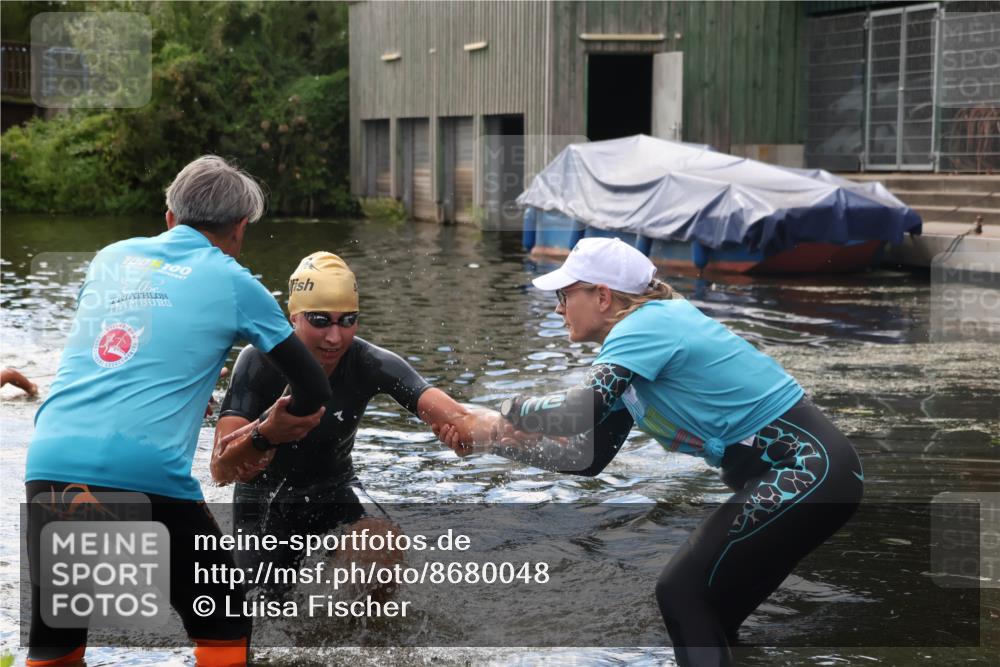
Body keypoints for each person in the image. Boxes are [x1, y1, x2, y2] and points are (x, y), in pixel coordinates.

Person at [436, 237, 865, 667]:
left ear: (602, 296)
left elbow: (577, 412)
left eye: (564, 295)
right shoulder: (635, 351)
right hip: (815, 476)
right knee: (710, 615)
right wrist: (497, 444)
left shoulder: (645, 325)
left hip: (807, 471)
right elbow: (587, 460)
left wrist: (501, 414)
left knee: (681, 592)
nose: (557, 308)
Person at [24, 156, 331, 667]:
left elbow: (120, 346)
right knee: (224, 622)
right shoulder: (235, 281)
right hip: (144, 473)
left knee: (57, 642)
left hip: (51, 462)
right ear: (239, 230)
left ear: (169, 216)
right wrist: (270, 431)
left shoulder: (110, 258)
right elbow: (313, 386)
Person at [212, 251, 479, 593]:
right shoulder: (259, 362)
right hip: (264, 502)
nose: (335, 337)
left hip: (334, 491)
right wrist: (265, 434)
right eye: (320, 320)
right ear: (294, 317)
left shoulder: (370, 362)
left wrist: (482, 434)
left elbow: (459, 416)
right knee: (256, 611)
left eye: (347, 320)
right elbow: (221, 468)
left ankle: (360, 636)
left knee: (380, 547)